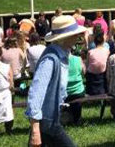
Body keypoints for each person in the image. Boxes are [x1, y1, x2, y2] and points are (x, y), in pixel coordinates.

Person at [26, 15, 87, 147]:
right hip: (46, 122)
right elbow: (36, 93)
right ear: (65, 38)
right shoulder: (50, 60)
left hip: (51, 119)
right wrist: (36, 130)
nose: (78, 37)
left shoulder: (61, 56)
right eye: (75, 34)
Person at [66, 49, 86, 124]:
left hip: (64, 92)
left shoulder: (58, 60)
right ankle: (77, 118)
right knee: (77, 101)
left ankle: (68, 115)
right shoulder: (78, 59)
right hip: (78, 91)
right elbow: (84, 72)